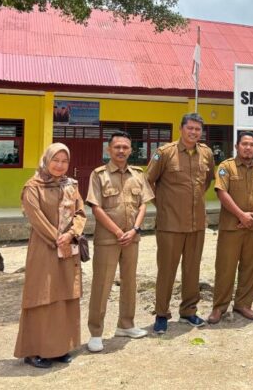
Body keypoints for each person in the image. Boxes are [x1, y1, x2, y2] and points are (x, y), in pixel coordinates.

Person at [14, 143, 86, 368]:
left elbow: (81, 213)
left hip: (68, 249)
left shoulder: (71, 186)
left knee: (65, 295)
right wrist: (59, 238)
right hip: (44, 250)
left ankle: (59, 348)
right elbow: (36, 219)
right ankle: (35, 350)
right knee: (42, 296)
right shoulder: (32, 187)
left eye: (65, 161)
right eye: (56, 160)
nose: (60, 165)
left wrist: (72, 233)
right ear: (46, 160)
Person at [86, 131, 154, 352]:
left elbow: (144, 204)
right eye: (117, 147)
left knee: (130, 282)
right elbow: (96, 207)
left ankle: (126, 324)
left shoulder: (138, 174)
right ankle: (96, 332)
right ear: (109, 149)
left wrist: (134, 229)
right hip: (108, 239)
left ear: (131, 150)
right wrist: (117, 231)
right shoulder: (99, 175)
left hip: (132, 239)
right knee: (102, 284)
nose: (121, 151)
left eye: (125, 147)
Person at [147, 113, 215, 333]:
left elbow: (205, 182)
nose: (194, 132)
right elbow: (148, 182)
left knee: (192, 269)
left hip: (197, 224)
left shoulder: (206, 153)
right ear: (181, 128)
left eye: (198, 129)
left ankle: (188, 311)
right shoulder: (165, 153)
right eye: (190, 128)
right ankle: (161, 314)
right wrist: (165, 205)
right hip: (170, 224)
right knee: (166, 270)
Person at [207, 131, 253, 323]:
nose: (248, 147)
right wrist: (241, 215)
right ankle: (219, 307)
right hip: (232, 227)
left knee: (250, 268)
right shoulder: (226, 167)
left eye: (252, 144)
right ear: (237, 146)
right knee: (225, 268)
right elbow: (221, 192)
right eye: (244, 144)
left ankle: (243, 304)